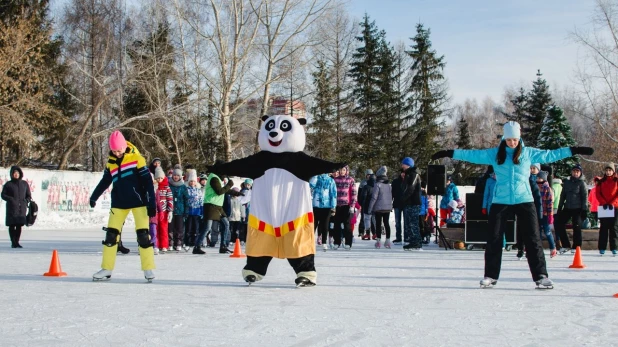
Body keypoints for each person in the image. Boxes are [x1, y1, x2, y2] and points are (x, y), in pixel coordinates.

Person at [431, 121, 593, 288]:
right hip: (501, 201)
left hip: (524, 200)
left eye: (515, 139)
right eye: (509, 140)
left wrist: (575, 150)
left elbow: (550, 155)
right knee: (493, 238)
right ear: (505, 138)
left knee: (533, 238)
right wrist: (449, 152)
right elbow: (472, 155)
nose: (512, 143)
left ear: (519, 137)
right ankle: (490, 276)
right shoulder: (495, 154)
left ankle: (541, 276)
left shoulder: (528, 153)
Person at [206, 114, 344, 286]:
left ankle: (306, 273)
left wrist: (335, 165)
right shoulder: (260, 160)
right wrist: (221, 168)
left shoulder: (300, 160)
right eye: (270, 128)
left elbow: (320, 165)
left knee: (298, 241)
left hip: (294, 212)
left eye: (283, 128)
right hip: (265, 212)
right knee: (261, 241)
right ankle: (254, 270)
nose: (274, 133)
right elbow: (239, 165)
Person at [90, 130, 157, 282]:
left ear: (124, 146)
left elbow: (147, 182)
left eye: (119, 149)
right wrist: (94, 196)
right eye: (114, 150)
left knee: (143, 236)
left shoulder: (136, 158)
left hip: (139, 202)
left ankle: (148, 269)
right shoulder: (111, 162)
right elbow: (105, 181)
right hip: (118, 203)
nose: (117, 152)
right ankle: (106, 269)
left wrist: (151, 202)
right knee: (111, 236)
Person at [195, 163, 234, 255]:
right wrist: (229, 184)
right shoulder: (214, 178)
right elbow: (219, 191)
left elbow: (225, 190)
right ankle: (197, 246)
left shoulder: (217, 178)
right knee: (207, 227)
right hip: (211, 205)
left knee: (226, 224)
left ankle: (223, 246)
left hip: (218, 206)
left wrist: (237, 193)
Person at [555, 164, 588, 255]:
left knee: (576, 226)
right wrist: (559, 208)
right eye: (574, 171)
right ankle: (566, 245)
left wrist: (584, 209)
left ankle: (577, 246)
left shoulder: (582, 183)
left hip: (578, 208)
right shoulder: (567, 183)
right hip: (567, 207)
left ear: (580, 173)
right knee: (559, 224)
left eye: (577, 171)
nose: (575, 173)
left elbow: (585, 197)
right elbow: (562, 196)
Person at [1, 166, 31, 248]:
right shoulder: (8, 184)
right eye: (14, 173)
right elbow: (3, 195)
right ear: (11, 174)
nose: (16, 174)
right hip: (12, 208)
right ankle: (13, 242)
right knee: (12, 225)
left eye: (17, 173)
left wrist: (26, 201)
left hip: (22, 208)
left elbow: (28, 195)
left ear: (20, 174)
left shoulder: (24, 184)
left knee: (19, 225)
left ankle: (16, 241)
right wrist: (11, 199)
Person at [594, 162, 618, 256]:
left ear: (613, 171)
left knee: (614, 228)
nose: (608, 172)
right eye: (607, 170)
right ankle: (602, 248)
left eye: (610, 170)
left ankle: (614, 248)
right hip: (604, 207)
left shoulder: (616, 181)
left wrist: (612, 203)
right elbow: (597, 193)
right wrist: (603, 202)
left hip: (615, 207)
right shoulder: (601, 181)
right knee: (603, 228)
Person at [309, 172, 337, 251]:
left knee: (325, 225)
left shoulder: (331, 180)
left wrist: (333, 207)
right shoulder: (316, 178)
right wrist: (315, 176)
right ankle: (311, 242)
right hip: (315, 205)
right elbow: (311, 185)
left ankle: (324, 242)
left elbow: (333, 194)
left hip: (326, 206)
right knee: (313, 225)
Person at [367, 166, 393, 248]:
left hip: (378, 208)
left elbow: (374, 197)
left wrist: (370, 208)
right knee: (386, 223)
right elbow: (391, 197)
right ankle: (388, 241)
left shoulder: (377, 185)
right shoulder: (389, 185)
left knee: (378, 224)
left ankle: (378, 241)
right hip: (387, 208)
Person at [401, 157, 423, 250]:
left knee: (413, 223)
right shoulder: (408, 174)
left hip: (413, 202)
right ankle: (412, 241)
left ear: (408, 164)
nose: (402, 166)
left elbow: (411, 188)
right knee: (409, 223)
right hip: (409, 202)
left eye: (403, 164)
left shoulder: (414, 174)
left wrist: (404, 198)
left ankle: (416, 242)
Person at [333, 166, 357, 249]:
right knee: (336, 225)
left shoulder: (350, 180)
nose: (342, 171)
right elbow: (333, 193)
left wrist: (352, 206)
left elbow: (354, 193)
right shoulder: (335, 180)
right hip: (337, 205)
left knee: (347, 225)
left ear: (346, 170)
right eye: (340, 169)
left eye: (343, 170)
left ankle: (348, 242)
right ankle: (336, 242)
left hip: (346, 205)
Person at [536, 171, 557, 258]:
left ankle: (553, 248)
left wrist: (550, 215)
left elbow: (550, 203)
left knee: (547, 231)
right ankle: (539, 249)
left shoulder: (547, 189)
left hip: (545, 213)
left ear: (544, 179)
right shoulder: (535, 187)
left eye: (540, 178)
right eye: (537, 178)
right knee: (538, 232)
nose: (538, 179)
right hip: (537, 213)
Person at [169, 168, 189, 252]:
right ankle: (170, 243)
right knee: (170, 228)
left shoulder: (183, 186)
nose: (176, 177)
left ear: (180, 177)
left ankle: (178, 243)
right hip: (170, 210)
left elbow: (186, 199)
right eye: (174, 175)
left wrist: (186, 211)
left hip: (180, 210)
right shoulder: (169, 185)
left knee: (179, 228)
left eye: (177, 175)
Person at [154, 166, 173, 253]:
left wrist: (170, 211)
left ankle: (164, 245)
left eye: (161, 177)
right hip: (155, 211)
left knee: (164, 229)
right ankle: (156, 245)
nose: (159, 179)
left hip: (164, 211)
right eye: (158, 178)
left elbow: (170, 199)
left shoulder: (166, 187)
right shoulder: (154, 187)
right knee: (155, 229)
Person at [185, 170, 203, 251]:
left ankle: (195, 242)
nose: (192, 183)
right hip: (189, 211)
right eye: (191, 181)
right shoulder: (187, 190)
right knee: (188, 228)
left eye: (194, 181)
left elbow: (201, 201)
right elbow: (186, 199)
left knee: (196, 228)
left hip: (197, 211)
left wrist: (202, 211)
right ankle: (187, 242)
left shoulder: (199, 190)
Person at [357, 169, 376, 238]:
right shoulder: (363, 183)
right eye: (367, 175)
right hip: (364, 203)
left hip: (372, 203)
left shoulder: (374, 182)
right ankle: (361, 231)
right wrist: (360, 203)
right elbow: (360, 194)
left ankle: (374, 232)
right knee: (363, 218)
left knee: (372, 218)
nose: (368, 176)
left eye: (370, 175)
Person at [391, 170, 405, 244]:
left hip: (406, 204)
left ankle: (406, 237)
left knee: (406, 222)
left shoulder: (408, 181)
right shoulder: (395, 181)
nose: (403, 174)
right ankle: (398, 237)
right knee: (397, 222)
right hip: (397, 204)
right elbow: (392, 193)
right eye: (402, 173)